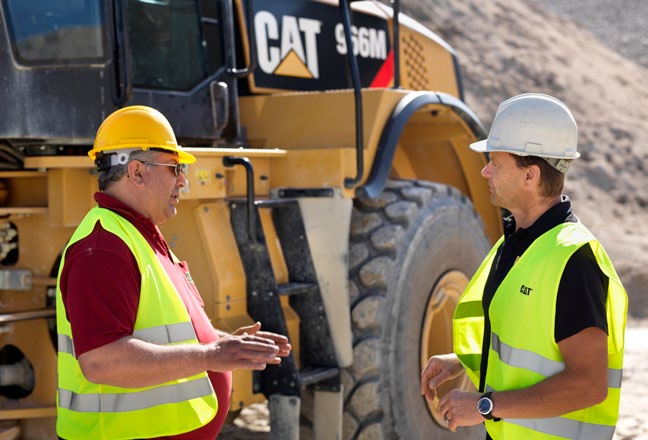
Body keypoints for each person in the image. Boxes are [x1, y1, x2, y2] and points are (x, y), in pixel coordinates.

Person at [56, 105, 292, 439]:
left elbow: (164, 333)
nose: (183, 179)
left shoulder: (137, 236)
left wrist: (225, 343)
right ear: (136, 172)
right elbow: (101, 361)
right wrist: (210, 354)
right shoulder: (102, 248)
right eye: (174, 166)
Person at [420, 93, 627, 440]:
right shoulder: (516, 244)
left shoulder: (574, 259)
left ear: (530, 175)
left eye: (495, 163)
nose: (484, 171)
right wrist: (462, 362)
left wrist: (484, 405)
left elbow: (589, 386)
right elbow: (521, 343)